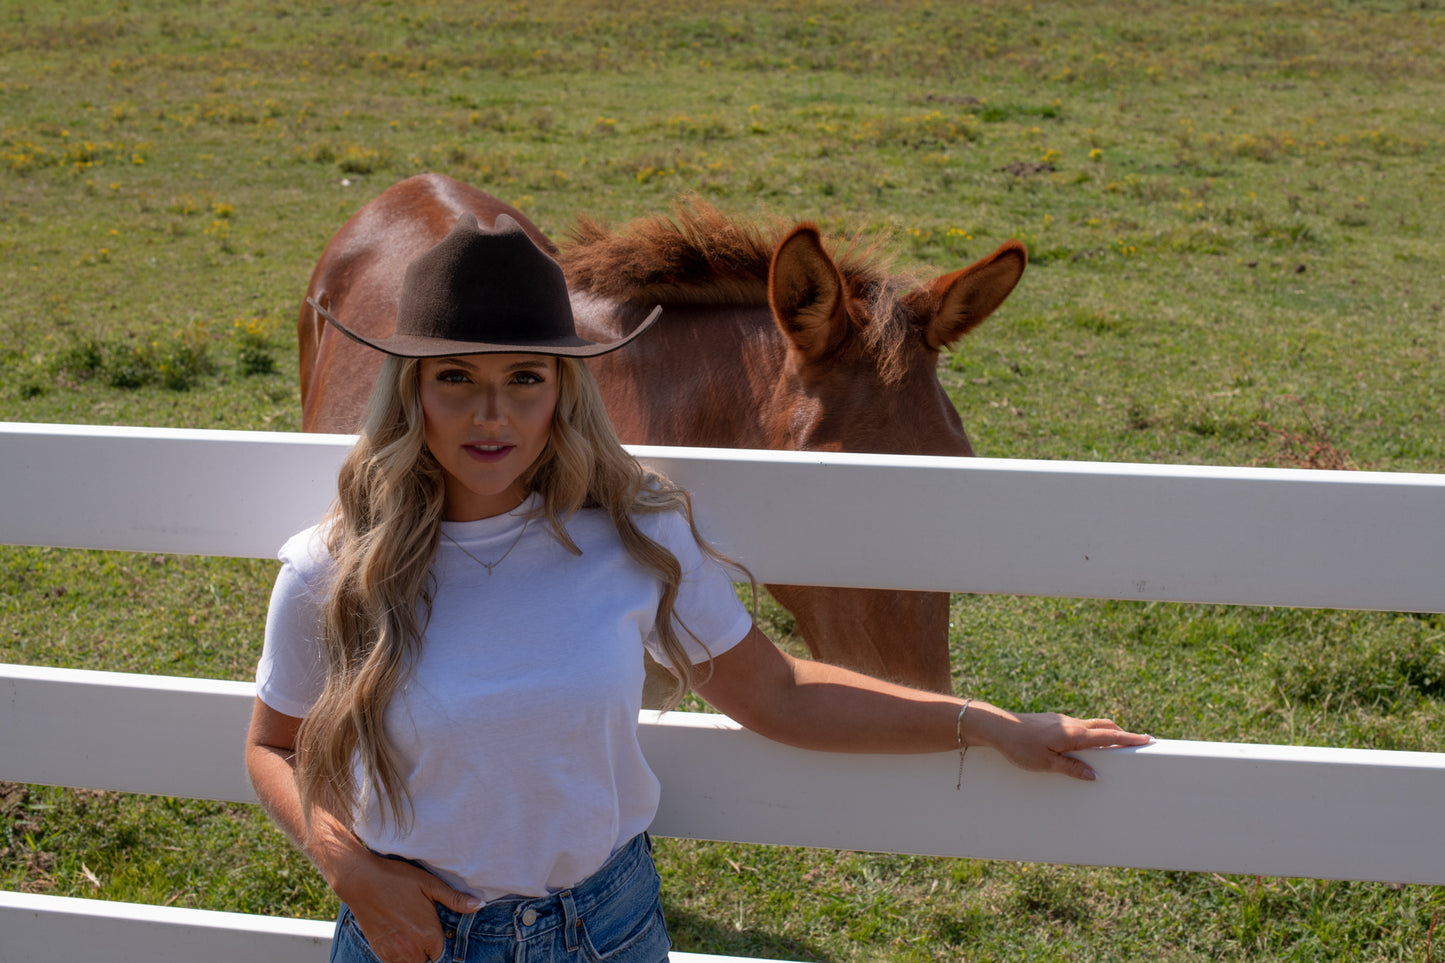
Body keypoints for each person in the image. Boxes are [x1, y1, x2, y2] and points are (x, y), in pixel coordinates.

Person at [245, 213, 1150, 963]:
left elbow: (778, 692)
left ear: (566, 388)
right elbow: (272, 744)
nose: (493, 415)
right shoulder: (332, 566)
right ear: (410, 392)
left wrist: (983, 721)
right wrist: (345, 865)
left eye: (526, 378)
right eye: (456, 380)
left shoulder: (633, 533)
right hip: (413, 935)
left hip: (608, 928)